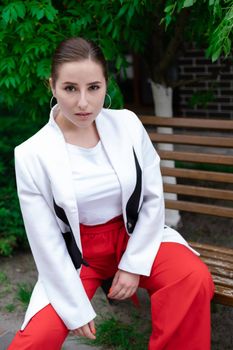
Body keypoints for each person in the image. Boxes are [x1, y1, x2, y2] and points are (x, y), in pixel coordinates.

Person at [8, 37, 214, 350]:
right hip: (77, 254)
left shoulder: (127, 124)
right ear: (52, 86)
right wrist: (74, 309)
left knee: (191, 277)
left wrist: (133, 264)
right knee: (37, 338)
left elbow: (151, 198)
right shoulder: (31, 154)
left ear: (106, 84)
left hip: (134, 235)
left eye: (93, 88)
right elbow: (45, 239)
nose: (83, 103)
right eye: (70, 88)